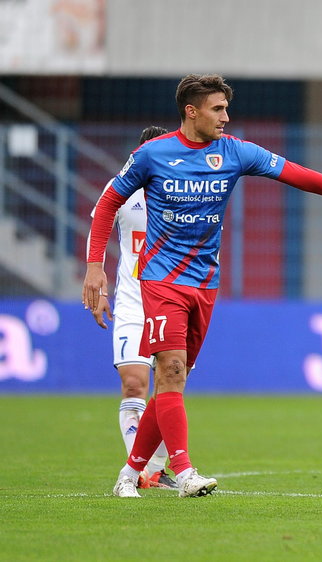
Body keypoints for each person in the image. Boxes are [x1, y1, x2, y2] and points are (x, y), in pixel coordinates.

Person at [83, 73, 322, 498]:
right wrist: (95, 268)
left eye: (225, 108)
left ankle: (129, 474)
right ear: (191, 110)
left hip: (204, 283)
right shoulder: (153, 155)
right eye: (217, 109)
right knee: (172, 371)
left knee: (170, 381)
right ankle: (183, 472)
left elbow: (298, 174)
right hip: (160, 279)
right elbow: (109, 201)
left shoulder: (236, 152)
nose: (226, 116)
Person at [89, 125, 176, 490]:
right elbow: (100, 222)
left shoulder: (181, 193)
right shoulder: (123, 192)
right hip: (132, 302)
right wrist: (98, 277)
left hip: (171, 300)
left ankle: (154, 467)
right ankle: (139, 471)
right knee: (134, 384)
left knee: (168, 388)